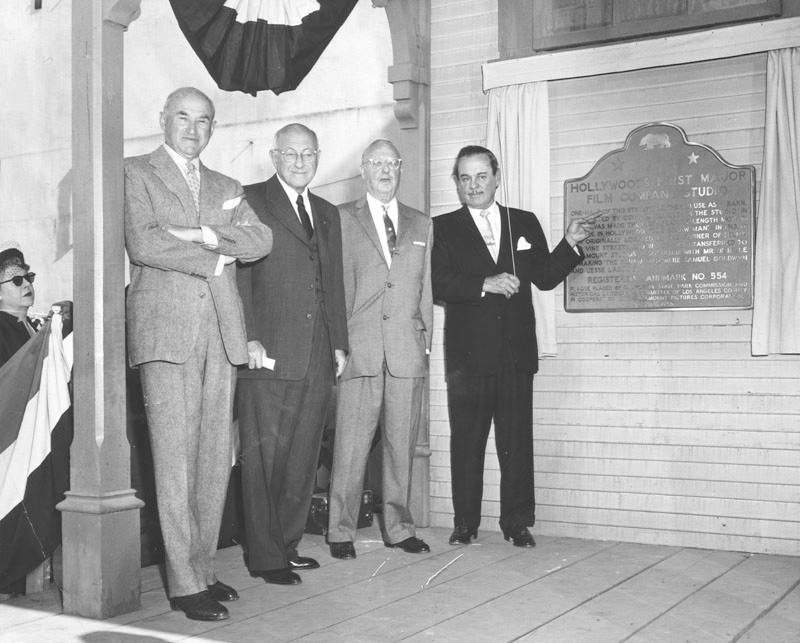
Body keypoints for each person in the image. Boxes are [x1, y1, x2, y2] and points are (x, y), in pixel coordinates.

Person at [124, 87, 272, 621]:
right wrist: (213, 257)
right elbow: (144, 243)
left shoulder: (227, 184)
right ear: (163, 119)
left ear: (213, 128)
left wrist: (203, 231)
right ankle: (184, 583)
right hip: (166, 331)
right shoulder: (134, 172)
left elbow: (261, 241)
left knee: (213, 458)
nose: (192, 128)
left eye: (203, 120)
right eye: (182, 117)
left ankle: (203, 567)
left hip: (221, 331)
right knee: (174, 460)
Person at [431, 145, 595, 548]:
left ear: (497, 177)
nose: (474, 186)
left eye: (481, 176)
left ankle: (516, 522)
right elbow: (436, 283)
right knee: (466, 443)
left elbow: (544, 277)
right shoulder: (443, 227)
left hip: (516, 355)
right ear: (456, 183)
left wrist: (569, 243)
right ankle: (465, 523)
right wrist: (482, 285)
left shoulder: (522, 221)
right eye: (465, 178)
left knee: (516, 443)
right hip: (468, 359)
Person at [237, 123, 347, 585]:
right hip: (268, 351)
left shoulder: (326, 211)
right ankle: (264, 557)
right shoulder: (251, 200)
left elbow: (334, 281)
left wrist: (340, 342)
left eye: (308, 154)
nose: (300, 162)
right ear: (274, 155)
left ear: (318, 157)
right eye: (291, 154)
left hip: (318, 353)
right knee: (265, 457)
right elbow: (238, 275)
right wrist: (247, 336)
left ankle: (286, 544)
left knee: (302, 457)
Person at [326, 140, 433, 559]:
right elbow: (336, 288)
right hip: (360, 350)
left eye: (392, 163)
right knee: (350, 447)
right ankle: (340, 531)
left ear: (401, 168)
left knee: (400, 447)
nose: (385, 170)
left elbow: (425, 290)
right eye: (377, 163)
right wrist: (339, 345)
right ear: (363, 169)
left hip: (406, 352)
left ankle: (399, 528)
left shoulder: (421, 224)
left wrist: (424, 344)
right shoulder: (340, 219)